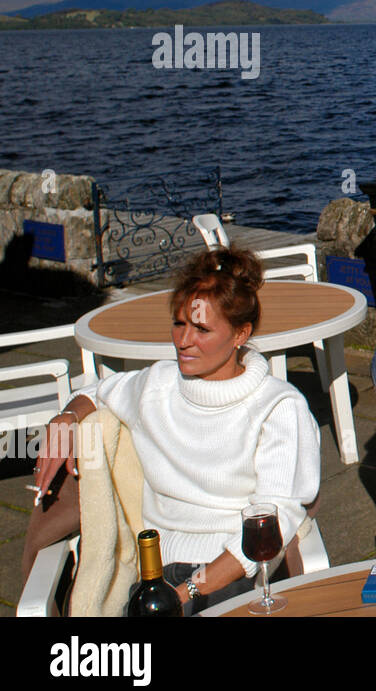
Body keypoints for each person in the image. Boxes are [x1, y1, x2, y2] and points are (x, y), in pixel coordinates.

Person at [33, 247, 321, 613]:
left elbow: (274, 518)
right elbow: (95, 393)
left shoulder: (276, 407)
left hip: (236, 574)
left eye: (201, 329)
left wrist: (184, 593)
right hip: (157, 573)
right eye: (179, 323)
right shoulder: (158, 385)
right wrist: (66, 419)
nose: (183, 341)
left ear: (240, 333)